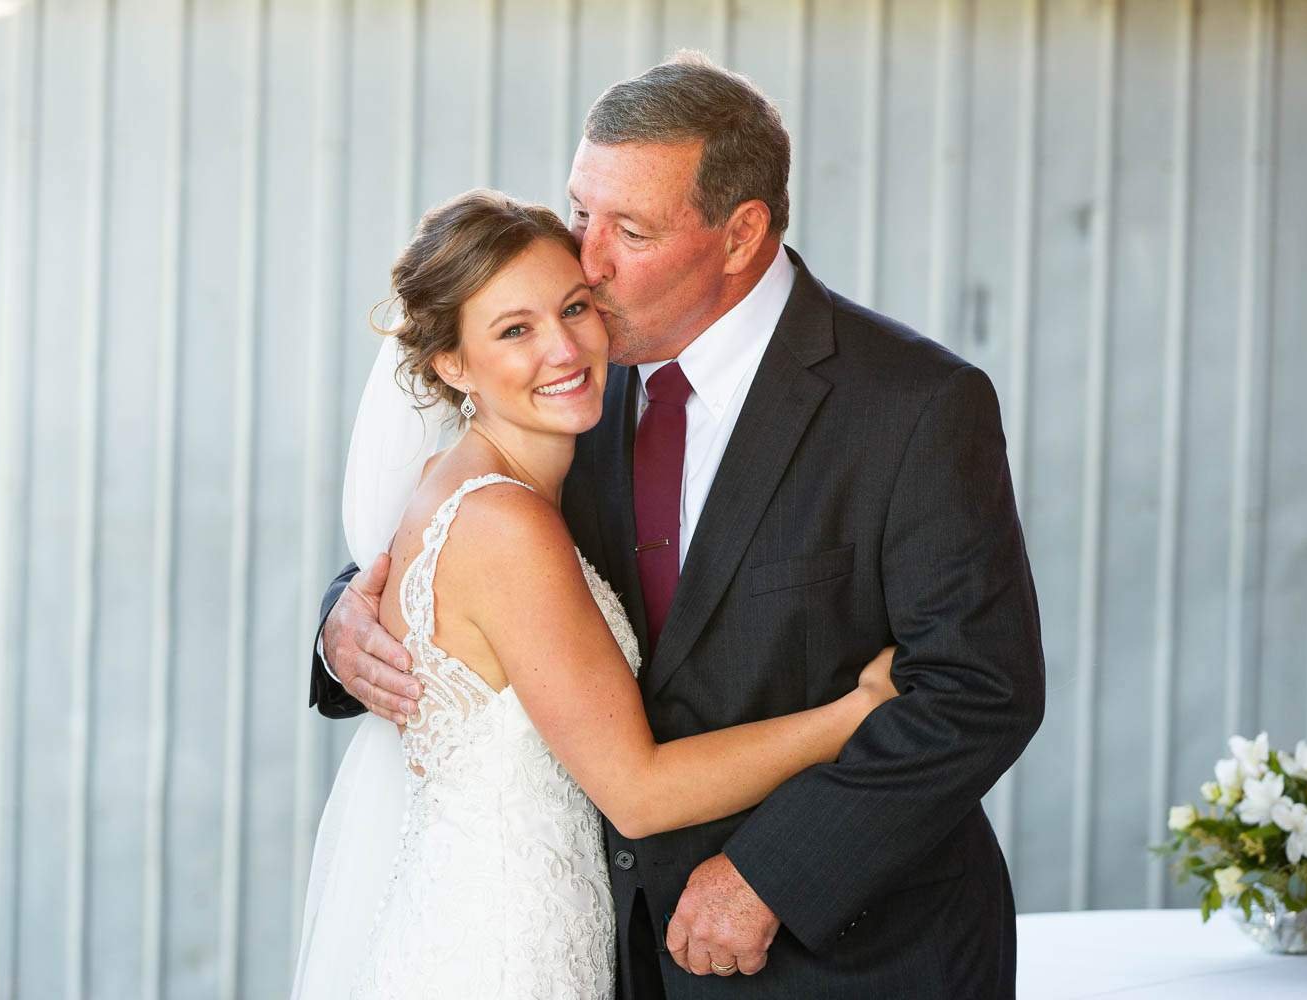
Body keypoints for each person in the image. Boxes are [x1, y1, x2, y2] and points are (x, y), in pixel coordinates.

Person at [317, 54, 1045, 998]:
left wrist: (773, 874)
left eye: (631, 229)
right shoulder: (565, 363)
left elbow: (979, 688)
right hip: (591, 943)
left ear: (741, 234)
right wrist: (348, 623)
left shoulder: (913, 406)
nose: (586, 259)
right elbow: (450, 537)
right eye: (582, 211)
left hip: (847, 956)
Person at [292, 190, 898, 1000]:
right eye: (515, 330)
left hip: (522, 922)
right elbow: (638, 792)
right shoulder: (505, 521)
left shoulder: (478, 479)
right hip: (508, 949)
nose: (564, 349)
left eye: (574, 308)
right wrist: (852, 715)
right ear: (452, 363)